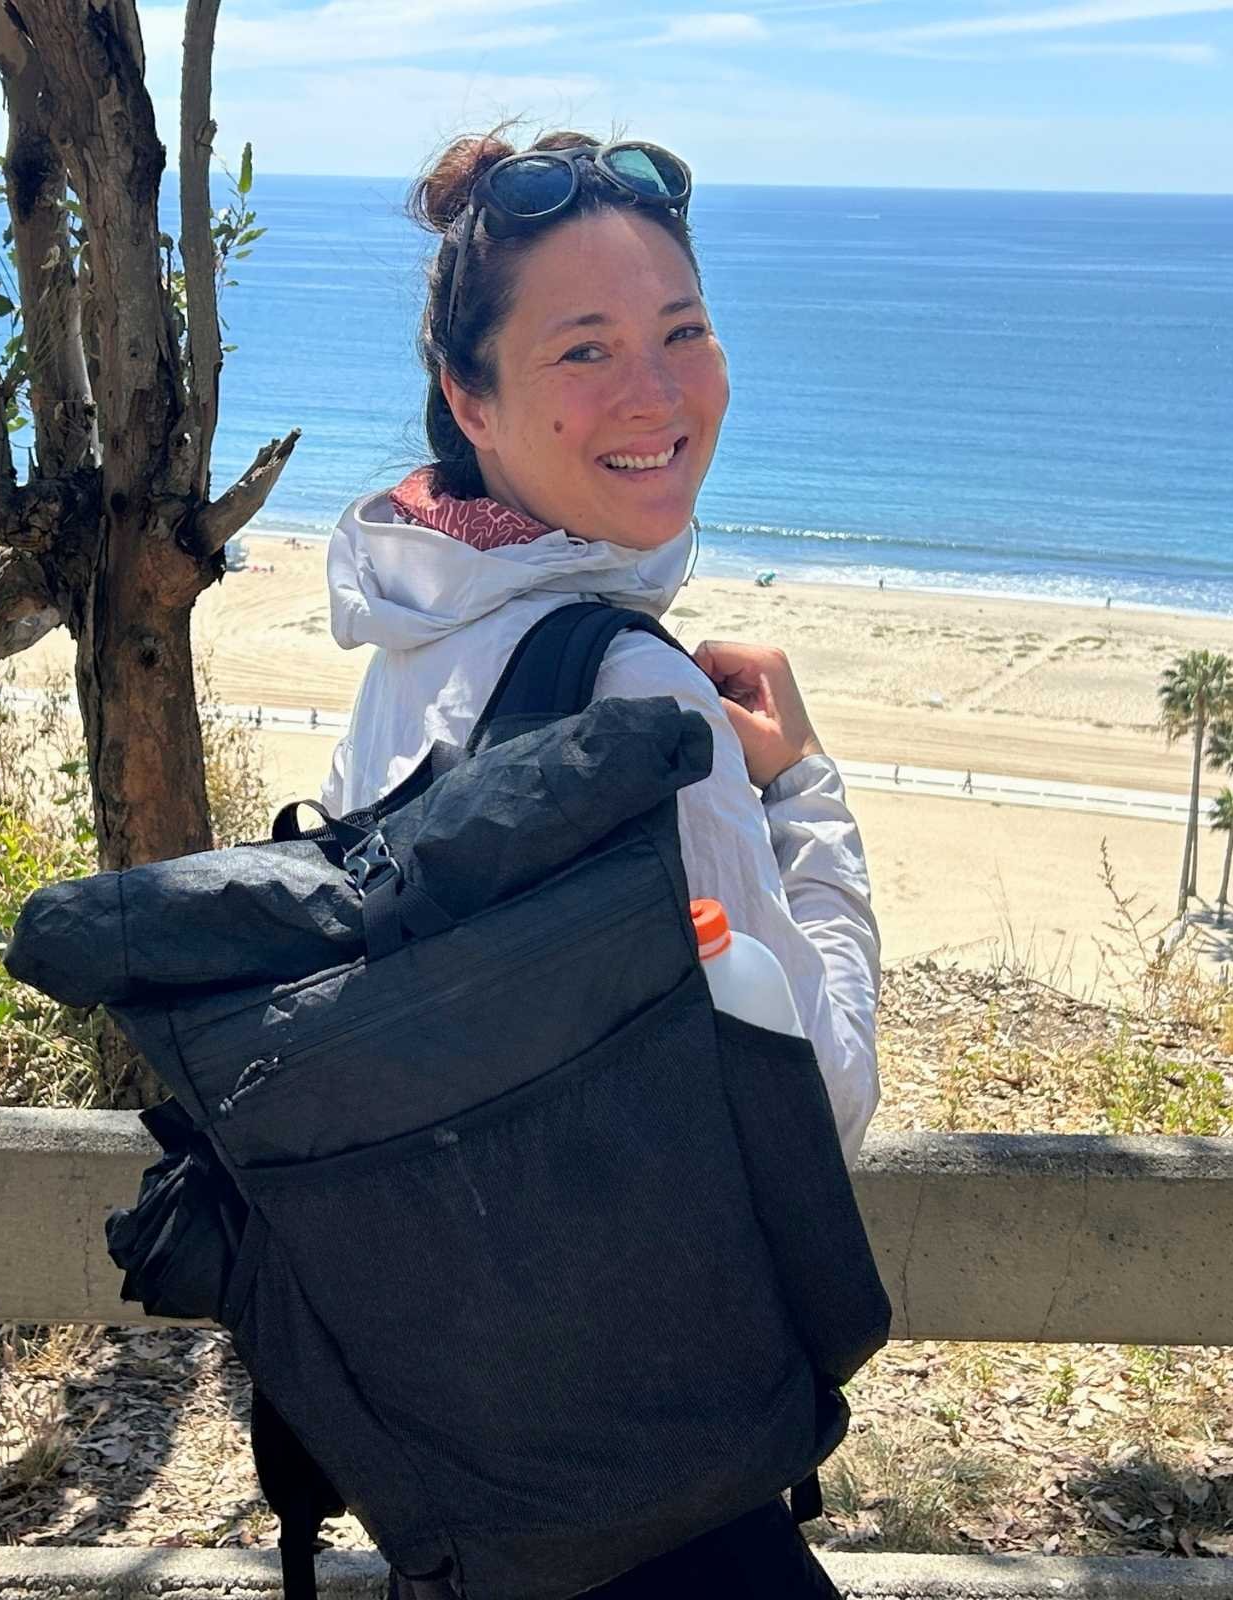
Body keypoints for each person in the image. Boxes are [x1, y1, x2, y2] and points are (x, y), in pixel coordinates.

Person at [317, 127, 883, 1596]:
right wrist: (803, 798)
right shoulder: (641, 700)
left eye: (683, 331)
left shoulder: (413, 643)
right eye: (585, 350)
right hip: (656, 1483)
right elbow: (818, 1099)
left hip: (472, 1448)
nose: (659, 391)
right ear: (471, 396)